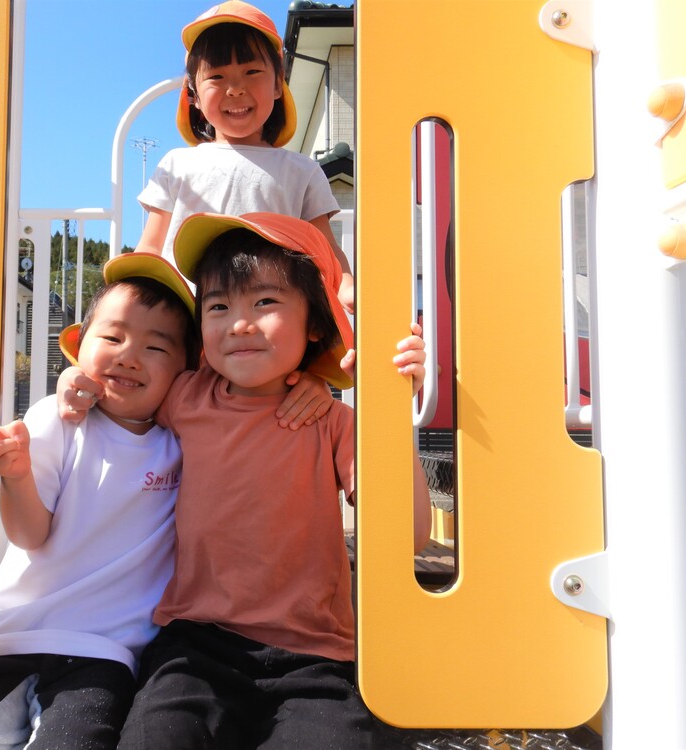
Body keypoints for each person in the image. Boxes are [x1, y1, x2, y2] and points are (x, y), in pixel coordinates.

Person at [60, 212, 430, 749]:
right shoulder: (185, 397)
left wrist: (392, 409)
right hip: (196, 645)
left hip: (317, 653)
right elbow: (119, 387)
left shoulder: (330, 420)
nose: (238, 323)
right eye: (217, 307)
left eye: (264, 303)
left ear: (316, 326)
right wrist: (76, 377)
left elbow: (407, 535)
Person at [0, 253, 199, 750]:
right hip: (10, 638)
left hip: (105, 654)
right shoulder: (57, 421)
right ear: (80, 345)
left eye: (155, 347)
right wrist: (15, 476)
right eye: (113, 337)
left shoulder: (182, 443)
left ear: (185, 369)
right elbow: (29, 534)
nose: (128, 355)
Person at [136, 1, 355, 313]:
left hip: (271, 324)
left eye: (252, 71)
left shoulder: (301, 170)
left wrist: (346, 283)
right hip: (187, 318)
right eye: (216, 77)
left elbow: (326, 251)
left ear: (278, 84)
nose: (235, 88)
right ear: (193, 96)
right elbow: (151, 248)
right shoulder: (176, 164)